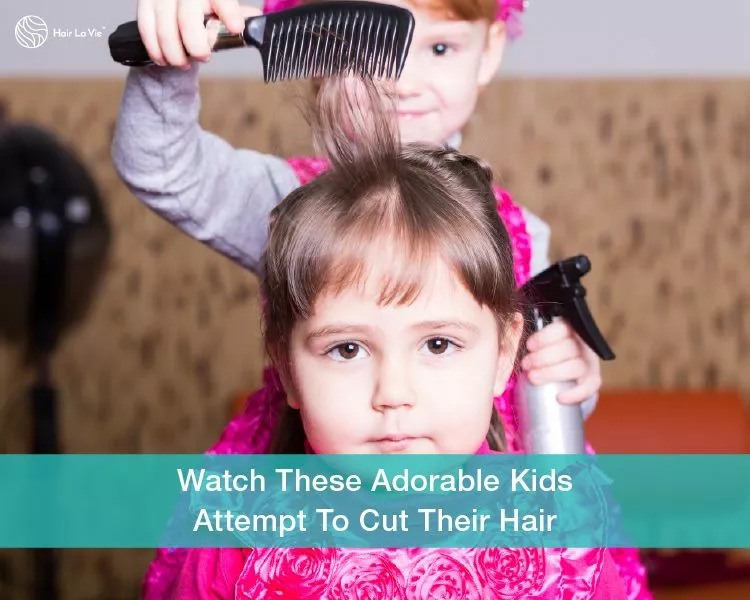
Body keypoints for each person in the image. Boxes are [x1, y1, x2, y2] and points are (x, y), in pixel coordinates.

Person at [112, 0, 651, 597]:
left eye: (439, 49)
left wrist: (570, 374)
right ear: (312, 51)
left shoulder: (519, 232)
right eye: (369, 52)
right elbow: (164, 168)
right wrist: (168, 58)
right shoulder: (291, 208)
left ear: (489, 50)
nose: (402, 82)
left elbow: (529, 388)